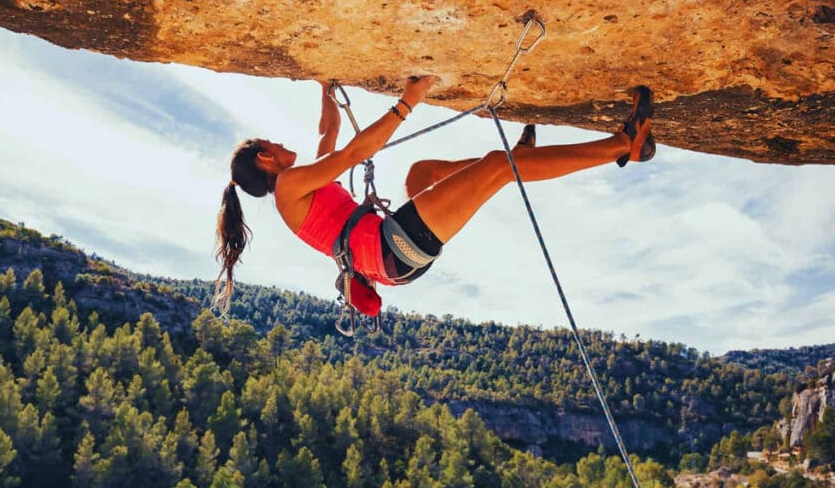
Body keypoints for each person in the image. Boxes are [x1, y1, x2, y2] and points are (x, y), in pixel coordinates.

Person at [214, 76, 654, 314]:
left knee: (420, 174)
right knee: (499, 170)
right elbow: (351, 151)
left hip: (392, 255)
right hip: (393, 247)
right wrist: (407, 102)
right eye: (271, 144)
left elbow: (329, 133)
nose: (279, 143)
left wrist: (324, 88)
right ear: (266, 159)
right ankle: (621, 145)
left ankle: (508, 160)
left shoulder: (296, 187)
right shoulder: (290, 186)